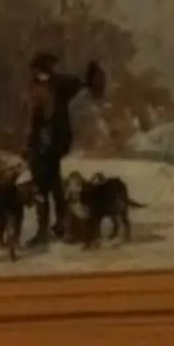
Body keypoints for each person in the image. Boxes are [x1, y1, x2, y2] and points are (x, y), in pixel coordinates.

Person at [24, 53, 106, 242]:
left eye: (40, 70)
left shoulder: (58, 84)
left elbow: (83, 84)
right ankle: (56, 226)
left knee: (45, 186)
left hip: (50, 143)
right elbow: (32, 119)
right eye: (37, 70)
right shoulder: (39, 87)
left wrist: (92, 77)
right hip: (45, 143)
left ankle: (52, 227)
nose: (38, 73)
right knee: (50, 185)